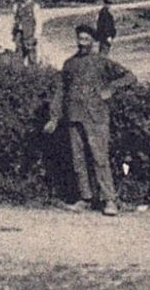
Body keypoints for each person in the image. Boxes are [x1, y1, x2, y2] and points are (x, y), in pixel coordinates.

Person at [44, 24, 137, 215]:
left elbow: (130, 77)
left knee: (99, 158)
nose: (81, 43)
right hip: (73, 116)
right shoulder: (69, 64)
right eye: (79, 39)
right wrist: (54, 117)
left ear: (93, 42)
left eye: (86, 39)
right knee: (78, 160)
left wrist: (110, 88)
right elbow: (60, 92)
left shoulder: (101, 61)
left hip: (96, 117)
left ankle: (109, 200)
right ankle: (85, 198)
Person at [12, 0, 39, 65]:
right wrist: (14, 33)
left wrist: (36, 35)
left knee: (31, 51)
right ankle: (20, 69)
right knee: (19, 51)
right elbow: (14, 20)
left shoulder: (34, 6)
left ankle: (33, 70)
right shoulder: (17, 6)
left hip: (29, 33)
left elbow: (38, 21)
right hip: (19, 32)